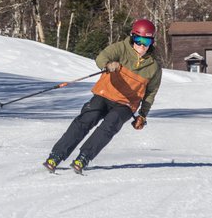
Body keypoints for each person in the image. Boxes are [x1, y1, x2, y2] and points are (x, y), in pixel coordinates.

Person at [43, 18, 163, 174]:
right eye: (138, 40)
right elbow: (102, 57)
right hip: (105, 94)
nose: (141, 45)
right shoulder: (121, 48)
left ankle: (84, 157)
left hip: (126, 104)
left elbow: (151, 93)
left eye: (146, 41)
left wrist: (143, 115)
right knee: (85, 120)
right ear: (132, 37)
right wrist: (108, 65)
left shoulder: (153, 67)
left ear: (151, 42)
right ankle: (57, 155)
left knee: (109, 126)